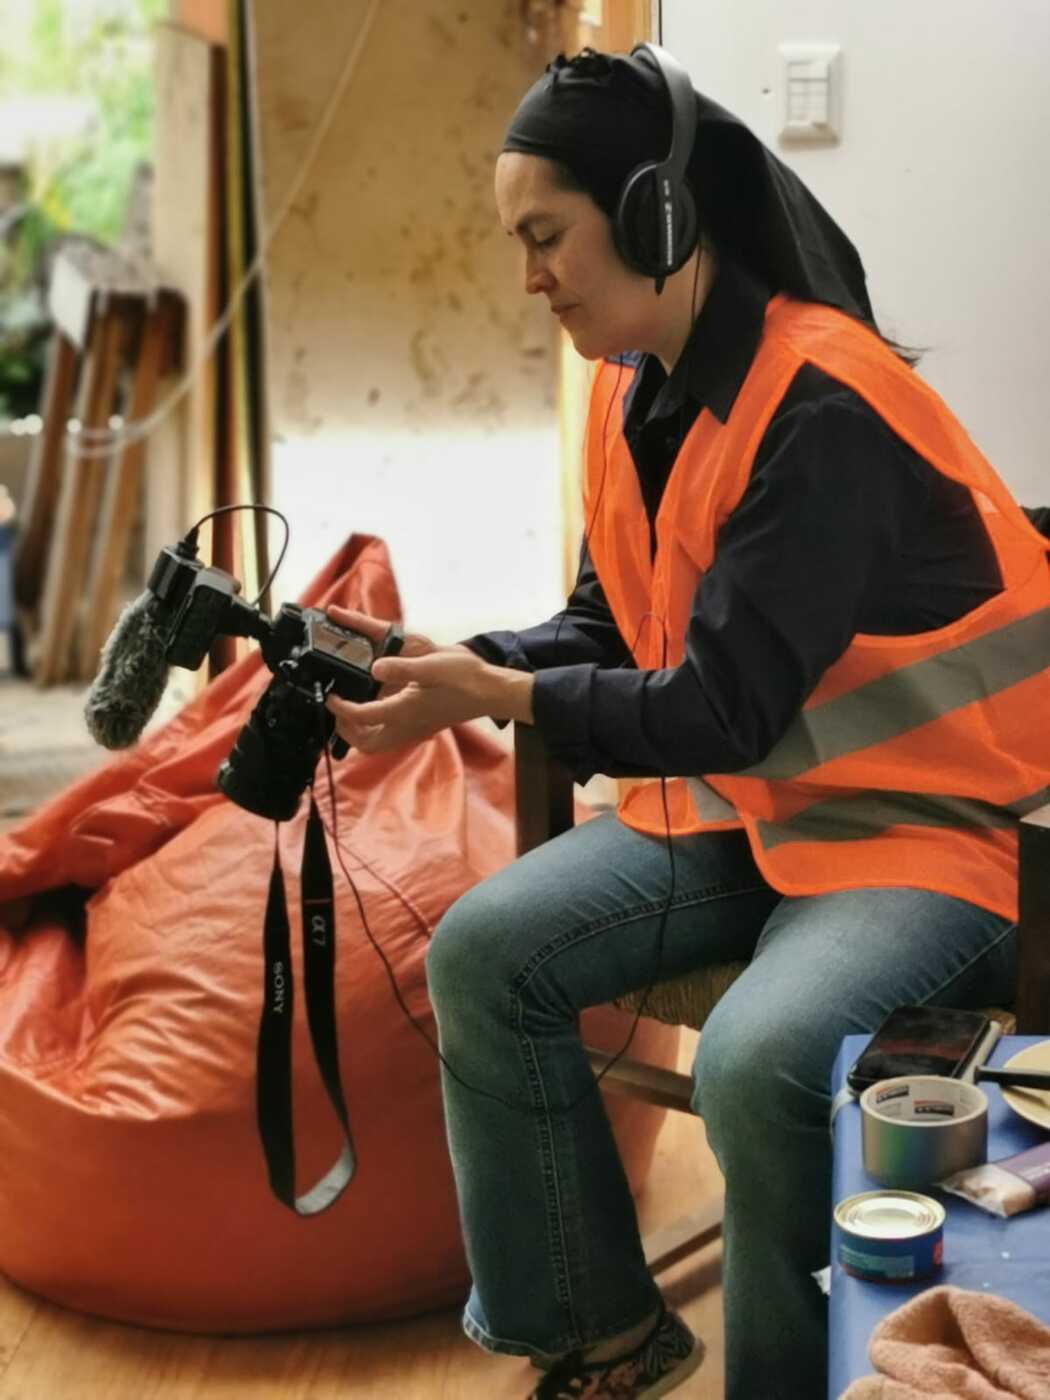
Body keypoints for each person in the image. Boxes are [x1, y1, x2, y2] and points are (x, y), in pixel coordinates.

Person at [326, 44, 1050, 1400]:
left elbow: (722, 704)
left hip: (932, 833)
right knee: (485, 952)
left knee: (759, 1057)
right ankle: (598, 1333)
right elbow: (608, 627)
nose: (525, 277)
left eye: (544, 238)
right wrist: (455, 665)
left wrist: (507, 696)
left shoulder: (822, 403)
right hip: (751, 813)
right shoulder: (627, 386)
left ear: (656, 214)